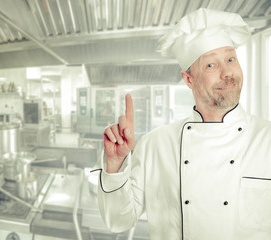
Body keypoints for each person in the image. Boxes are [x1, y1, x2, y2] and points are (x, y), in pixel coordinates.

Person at [95, 8, 271, 240]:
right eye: (211, 65)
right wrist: (115, 165)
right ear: (189, 79)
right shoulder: (156, 144)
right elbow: (118, 221)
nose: (228, 72)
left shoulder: (266, 140)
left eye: (230, 59)